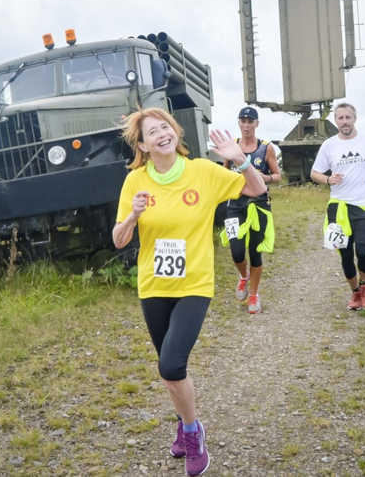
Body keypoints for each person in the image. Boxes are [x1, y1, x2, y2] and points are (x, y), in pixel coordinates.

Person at [112, 107, 265, 476]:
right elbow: (119, 240)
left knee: (171, 364)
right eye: (153, 132)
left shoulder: (202, 172)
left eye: (166, 127)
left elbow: (257, 190)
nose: (162, 134)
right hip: (153, 286)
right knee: (170, 374)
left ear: (175, 133)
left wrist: (239, 159)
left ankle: (193, 434)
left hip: (194, 284)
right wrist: (132, 215)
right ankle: (184, 425)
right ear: (143, 145)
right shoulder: (135, 181)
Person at [310, 102, 365, 311]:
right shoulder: (329, 145)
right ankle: (355, 293)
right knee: (346, 255)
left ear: (354, 119)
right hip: (339, 207)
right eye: (340, 118)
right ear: (335, 120)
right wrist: (328, 180)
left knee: (363, 252)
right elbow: (314, 173)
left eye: (348, 117)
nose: (344, 122)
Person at [221, 106, 281, 314]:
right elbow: (224, 174)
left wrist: (263, 178)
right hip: (234, 206)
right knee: (236, 251)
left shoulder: (266, 148)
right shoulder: (232, 147)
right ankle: (243, 276)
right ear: (239, 123)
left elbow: (277, 176)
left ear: (256, 124)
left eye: (250, 121)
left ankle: (254, 294)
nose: (246, 125)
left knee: (255, 253)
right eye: (243, 121)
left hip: (259, 206)